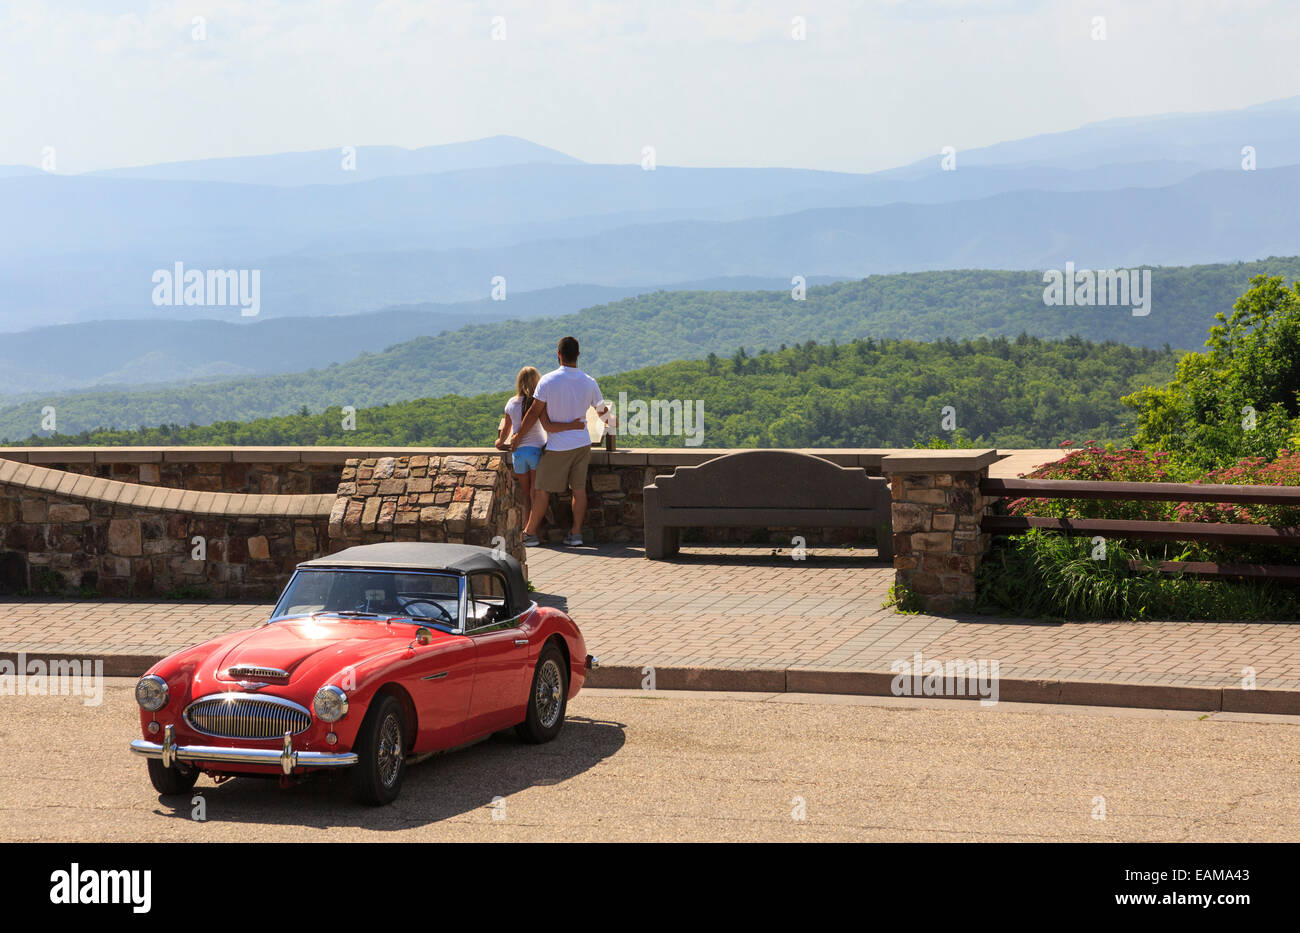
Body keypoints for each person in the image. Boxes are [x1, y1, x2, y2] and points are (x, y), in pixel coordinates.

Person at [511, 336, 605, 547]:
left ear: (559, 355)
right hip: (582, 444)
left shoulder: (548, 381)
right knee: (578, 490)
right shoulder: (589, 382)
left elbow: (534, 413)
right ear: (578, 355)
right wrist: (613, 423)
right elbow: (602, 412)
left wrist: (518, 436)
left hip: (557, 447)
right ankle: (576, 534)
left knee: (541, 490)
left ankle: (530, 533)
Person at [495, 366, 584, 531]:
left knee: (526, 496)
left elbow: (505, 432)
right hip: (536, 451)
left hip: (518, 454)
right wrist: (572, 425)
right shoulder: (537, 404)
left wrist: (498, 442)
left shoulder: (510, 403)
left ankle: (526, 529)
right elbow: (548, 425)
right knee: (535, 494)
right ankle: (534, 532)